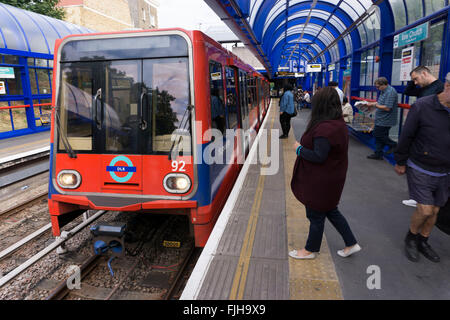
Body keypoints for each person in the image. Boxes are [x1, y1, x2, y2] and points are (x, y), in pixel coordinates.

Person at [289, 87, 361, 259]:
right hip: (332, 177)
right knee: (330, 210)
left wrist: (298, 149)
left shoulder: (325, 128)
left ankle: (310, 250)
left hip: (321, 180)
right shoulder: (337, 123)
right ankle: (351, 243)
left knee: (315, 215)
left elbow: (319, 156)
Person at [394, 72, 450, 263]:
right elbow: (407, 135)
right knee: (425, 210)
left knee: (435, 211)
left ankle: (423, 241)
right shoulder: (423, 106)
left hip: (445, 170)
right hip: (421, 166)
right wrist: (400, 161)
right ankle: (411, 237)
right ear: (448, 87)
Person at [402, 66, 444, 208]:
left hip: (430, 133)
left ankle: (423, 199)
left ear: (425, 73)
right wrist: (412, 79)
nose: (415, 82)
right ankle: (419, 196)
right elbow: (408, 91)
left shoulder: (439, 88)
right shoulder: (424, 87)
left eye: (416, 79)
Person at [365, 77, 398, 160]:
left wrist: (374, 105)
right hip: (381, 118)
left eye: (378, 87)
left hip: (386, 119)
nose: (377, 88)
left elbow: (387, 108)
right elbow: (380, 103)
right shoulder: (384, 91)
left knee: (377, 134)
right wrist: (372, 103)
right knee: (380, 136)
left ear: (384, 85)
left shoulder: (390, 92)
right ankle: (378, 154)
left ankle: (393, 145)